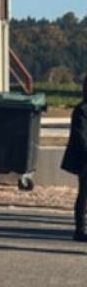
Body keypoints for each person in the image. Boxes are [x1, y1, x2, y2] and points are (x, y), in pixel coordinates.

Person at [61, 76, 87, 241]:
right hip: (84, 160)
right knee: (84, 194)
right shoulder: (81, 110)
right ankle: (80, 230)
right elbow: (81, 137)